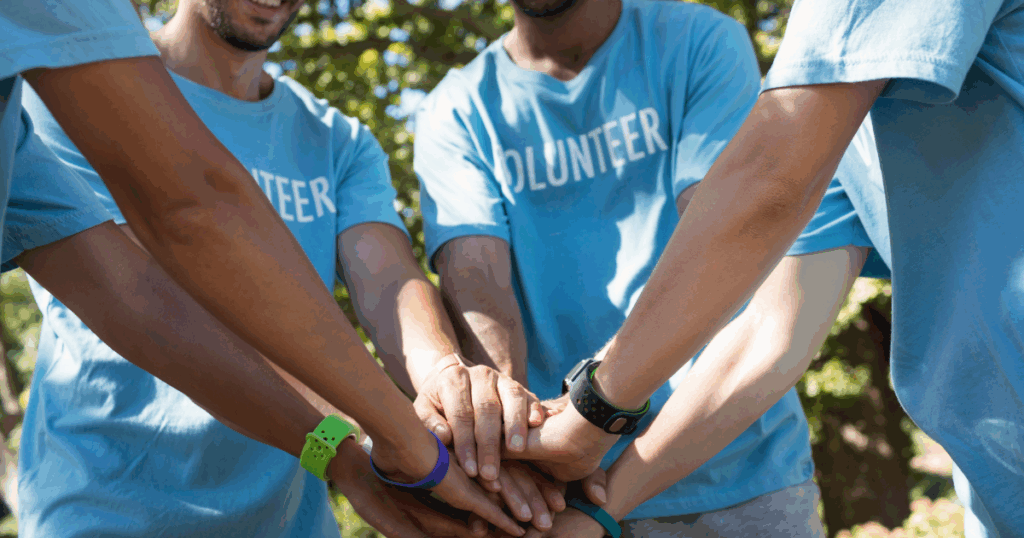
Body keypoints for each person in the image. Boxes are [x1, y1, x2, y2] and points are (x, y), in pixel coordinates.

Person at [14, 0, 564, 535]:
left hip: (289, 519)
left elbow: (391, 287)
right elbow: (151, 291)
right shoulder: (71, 83)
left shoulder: (337, 141)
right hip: (106, 509)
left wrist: (448, 383)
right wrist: (373, 439)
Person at [509, 0, 1024, 536]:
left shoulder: (808, 100)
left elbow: (767, 179)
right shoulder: (828, 88)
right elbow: (770, 332)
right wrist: (599, 510)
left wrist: (592, 411)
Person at [413, 0, 889, 534]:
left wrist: (589, 419)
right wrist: (514, 447)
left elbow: (728, 233)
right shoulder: (456, 108)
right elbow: (475, 280)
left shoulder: (701, 42)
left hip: (734, 465)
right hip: (558, 487)